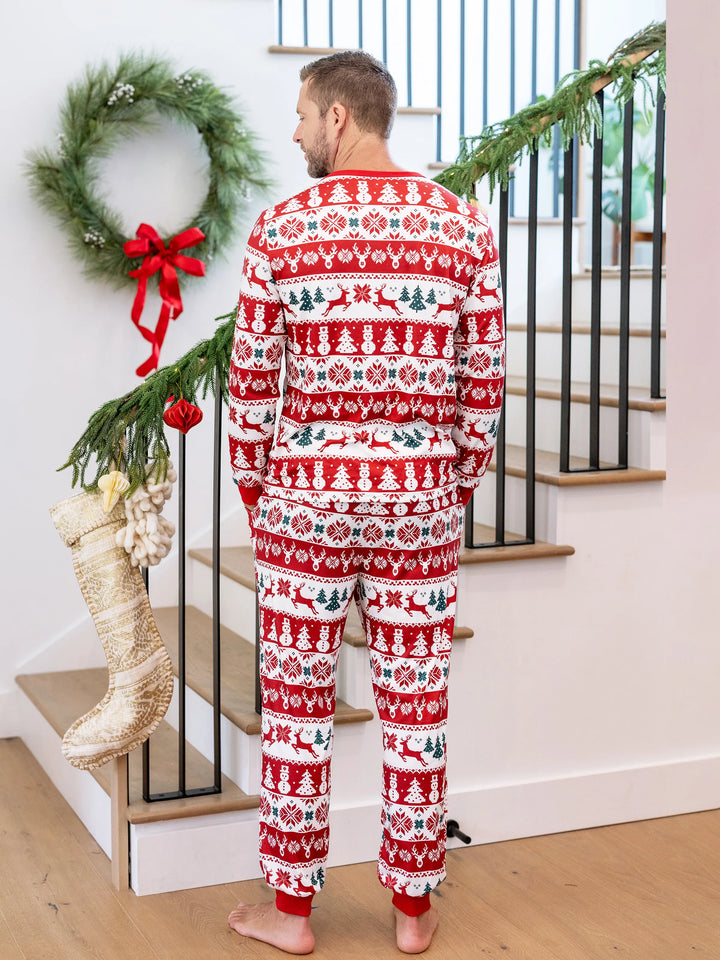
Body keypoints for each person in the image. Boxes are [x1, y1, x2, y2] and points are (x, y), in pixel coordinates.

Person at [227, 50, 504, 955]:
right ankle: (414, 915)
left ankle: (294, 916)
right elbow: (484, 389)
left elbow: (252, 390)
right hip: (420, 497)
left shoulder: (282, 230)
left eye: (303, 113)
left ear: (340, 118)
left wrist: (261, 491)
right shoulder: (463, 228)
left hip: (305, 501)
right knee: (417, 701)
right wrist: (446, 482)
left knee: (298, 704)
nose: (297, 130)